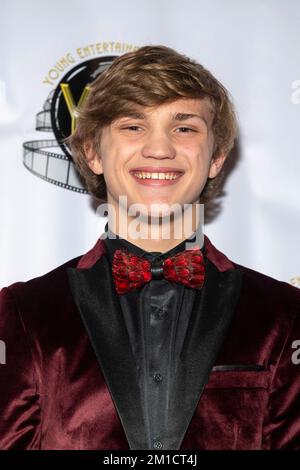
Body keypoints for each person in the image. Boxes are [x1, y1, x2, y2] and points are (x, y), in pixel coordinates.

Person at [0, 45, 299, 451]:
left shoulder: (286, 313)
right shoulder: (23, 313)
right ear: (92, 153)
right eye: (133, 126)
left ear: (217, 157)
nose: (160, 149)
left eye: (185, 128)